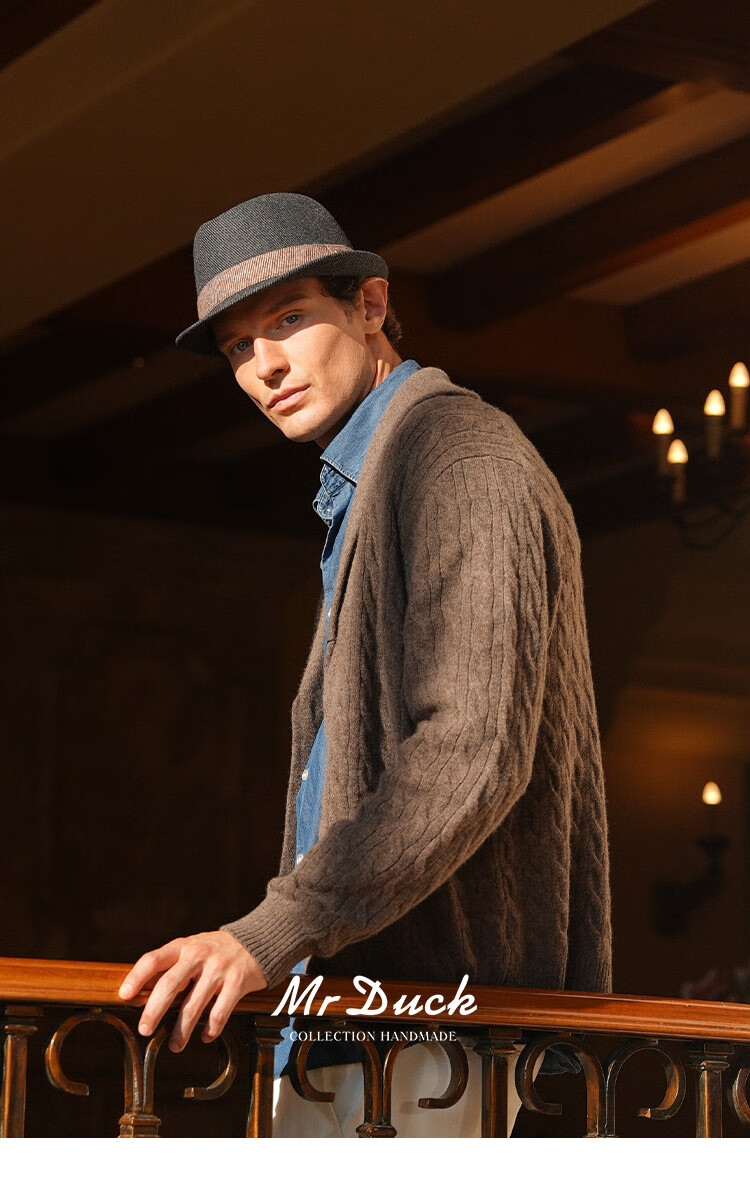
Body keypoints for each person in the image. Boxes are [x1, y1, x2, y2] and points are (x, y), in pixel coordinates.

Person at [118, 192, 612, 1136]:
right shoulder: (374, 478)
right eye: (237, 347)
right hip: (361, 1023)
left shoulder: (457, 455)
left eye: (287, 320)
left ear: (372, 305)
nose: (263, 366)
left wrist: (271, 932)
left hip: (431, 1037)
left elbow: (471, 751)